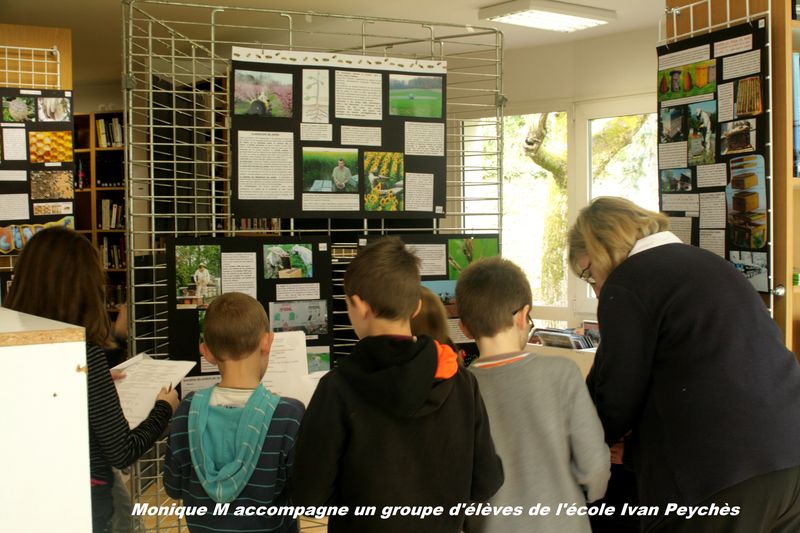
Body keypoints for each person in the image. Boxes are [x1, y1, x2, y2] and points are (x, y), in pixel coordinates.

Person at [568, 197, 800, 532]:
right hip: (789, 455)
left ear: (599, 247)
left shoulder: (630, 281)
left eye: (588, 274)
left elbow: (616, 393)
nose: (597, 289)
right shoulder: (708, 264)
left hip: (721, 476)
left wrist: (590, 443)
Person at [291, 236, 504, 532]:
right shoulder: (460, 380)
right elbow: (487, 480)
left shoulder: (337, 388)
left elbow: (307, 497)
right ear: (416, 307)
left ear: (358, 305)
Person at [3, 227, 178, 533]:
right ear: (83, 286)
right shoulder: (82, 353)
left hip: (28, 504)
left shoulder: (16, 346)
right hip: (88, 504)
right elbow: (123, 450)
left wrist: (87, 381)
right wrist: (164, 408)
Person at [456, 257, 610, 533]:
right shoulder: (562, 373)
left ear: (464, 327)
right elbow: (594, 466)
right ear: (521, 316)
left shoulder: (458, 391)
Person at [163, 292, 304, 532]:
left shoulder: (186, 409)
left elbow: (173, 487)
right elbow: (303, 496)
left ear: (206, 352)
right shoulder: (288, 415)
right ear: (267, 341)